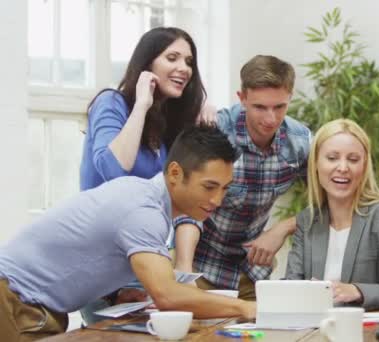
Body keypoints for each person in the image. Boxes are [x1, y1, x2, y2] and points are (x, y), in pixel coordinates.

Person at [0, 126, 256, 340]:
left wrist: (116, 293)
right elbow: (168, 295)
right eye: (209, 187)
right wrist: (246, 307)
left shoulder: (143, 197)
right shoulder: (143, 210)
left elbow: (85, 253)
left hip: (25, 301)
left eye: (224, 189)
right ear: (175, 173)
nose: (217, 200)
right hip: (13, 300)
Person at [78, 26, 205, 323]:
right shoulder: (111, 103)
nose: (183, 68)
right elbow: (113, 168)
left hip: (146, 264)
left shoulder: (162, 134)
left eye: (188, 62)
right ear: (147, 65)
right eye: (172, 57)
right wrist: (142, 103)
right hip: (103, 267)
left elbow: (180, 199)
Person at [173, 55, 311, 300]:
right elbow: (187, 205)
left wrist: (281, 228)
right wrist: (183, 270)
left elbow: (331, 200)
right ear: (242, 98)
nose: (270, 119)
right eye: (259, 107)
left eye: (279, 107)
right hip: (199, 266)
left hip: (252, 272)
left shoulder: (299, 142)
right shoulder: (217, 131)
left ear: (290, 97)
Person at [284, 119, 379, 311]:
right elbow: (292, 286)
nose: (343, 167)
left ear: (364, 167)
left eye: (353, 160)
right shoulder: (306, 220)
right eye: (332, 158)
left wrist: (357, 291)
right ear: (315, 164)